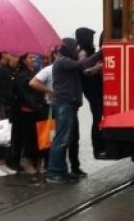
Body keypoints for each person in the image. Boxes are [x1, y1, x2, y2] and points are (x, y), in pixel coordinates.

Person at [44, 37, 102, 183]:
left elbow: (85, 70)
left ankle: (62, 171)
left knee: (66, 139)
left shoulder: (66, 61)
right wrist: (102, 53)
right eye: (75, 47)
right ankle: (54, 173)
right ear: (68, 48)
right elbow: (83, 64)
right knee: (61, 139)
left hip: (69, 105)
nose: (77, 50)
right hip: (64, 104)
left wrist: (96, 68)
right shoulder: (62, 61)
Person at [76, 27, 105, 159]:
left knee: (98, 116)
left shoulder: (89, 51)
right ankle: (98, 147)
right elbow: (84, 69)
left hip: (94, 87)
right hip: (91, 88)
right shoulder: (83, 52)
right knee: (97, 116)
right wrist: (98, 67)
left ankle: (99, 145)